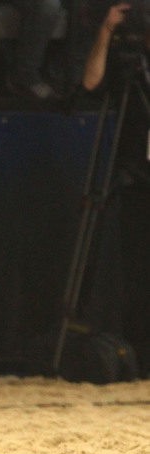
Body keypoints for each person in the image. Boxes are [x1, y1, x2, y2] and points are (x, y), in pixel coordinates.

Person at [81, 2, 150, 376]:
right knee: (139, 277)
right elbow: (91, 83)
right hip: (138, 180)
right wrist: (106, 33)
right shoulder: (130, 65)